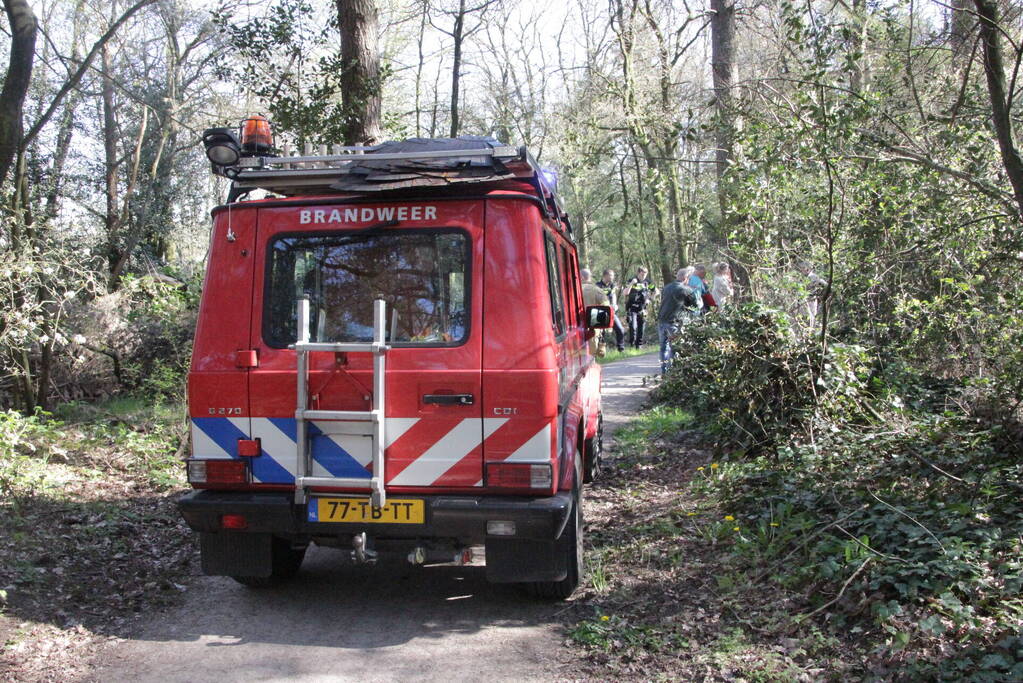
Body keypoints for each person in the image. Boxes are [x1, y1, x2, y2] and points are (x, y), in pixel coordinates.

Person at [657, 269, 698, 374]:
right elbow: (695, 305)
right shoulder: (686, 289)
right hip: (674, 322)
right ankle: (672, 371)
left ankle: (664, 370)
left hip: (662, 320)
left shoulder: (666, 288)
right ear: (686, 278)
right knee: (674, 348)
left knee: (663, 347)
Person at [624, 266, 656, 348]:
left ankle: (639, 346)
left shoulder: (648, 282)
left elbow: (656, 291)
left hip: (642, 308)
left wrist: (650, 298)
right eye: (642, 274)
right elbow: (625, 293)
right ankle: (632, 345)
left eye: (645, 274)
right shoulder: (632, 280)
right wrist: (631, 283)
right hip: (632, 307)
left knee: (641, 328)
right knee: (633, 327)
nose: (644, 276)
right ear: (638, 273)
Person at [580, 269, 610, 357]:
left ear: (581, 277)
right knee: (591, 357)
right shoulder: (597, 290)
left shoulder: (571, 291)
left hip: (573, 329)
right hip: (593, 328)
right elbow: (606, 309)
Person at [596, 268, 625, 352]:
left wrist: (615, 304)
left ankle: (621, 349)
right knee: (601, 333)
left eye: (613, 276)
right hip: (600, 312)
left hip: (611, 312)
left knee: (620, 329)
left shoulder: (612, 285)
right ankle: (600, 351)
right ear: (605, 276)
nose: (613, 277)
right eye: (611, 276)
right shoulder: (597, 286)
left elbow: (613, 295)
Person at [796, 260, 828, 328]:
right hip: (805, 300)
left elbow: (825, 284)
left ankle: (811, 330)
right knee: (806, 316)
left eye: (802, 269)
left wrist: (821, 295)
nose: (801, 271)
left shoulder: (813, 277)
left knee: (812, 316)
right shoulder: (804, 278)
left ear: (807, 269)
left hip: (811, 299)